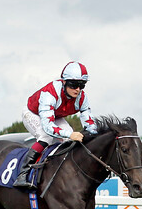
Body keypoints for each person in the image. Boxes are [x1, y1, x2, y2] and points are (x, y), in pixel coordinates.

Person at [14, 61, 98, 191]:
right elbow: (48, 127)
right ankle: (23, 173)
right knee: (45, 136)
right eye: (74, 85)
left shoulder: (82, 98)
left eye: (82, 85)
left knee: (69, 139)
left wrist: (95, 135)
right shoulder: (50, 93)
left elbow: (89, 123)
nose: (78, 89)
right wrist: (70, 134)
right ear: (64, 82)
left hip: (56, 116)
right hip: (33, 113)